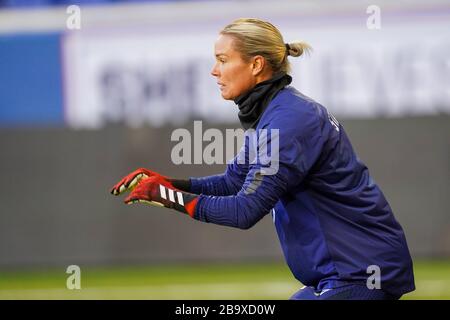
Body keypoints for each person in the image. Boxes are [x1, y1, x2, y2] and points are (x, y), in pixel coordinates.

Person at [110, 18, 415, 300]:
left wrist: (167, 197)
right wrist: (168, 184)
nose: (214, 71)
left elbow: (245, 210)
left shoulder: (290, 120)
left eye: (222, 59)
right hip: (345, 275)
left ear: (256, 65)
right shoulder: (275, 114)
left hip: (362, 275)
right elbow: (233, 182)